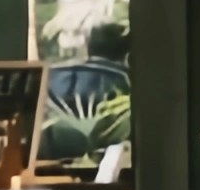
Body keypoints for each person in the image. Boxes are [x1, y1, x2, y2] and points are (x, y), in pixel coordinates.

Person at [38, 21, 132, 162]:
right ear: (127, 55)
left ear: (88, 46)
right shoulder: (126, 81)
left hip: (44, 148)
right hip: (105, 160)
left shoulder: (49, 74)